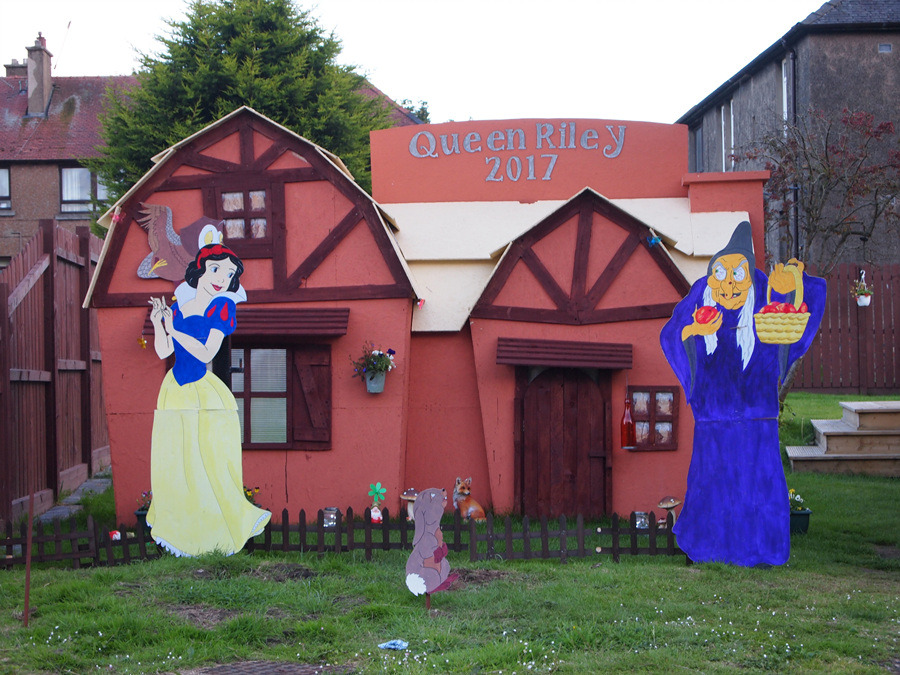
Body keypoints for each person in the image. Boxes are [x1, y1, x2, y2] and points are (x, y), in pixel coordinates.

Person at [660, 222, 825, 567]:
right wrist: (694, 330)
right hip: (713, 424)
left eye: (738, 273)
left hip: (757, 423)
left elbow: (799, 312)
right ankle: (707, 547)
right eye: (721, 273)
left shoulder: (764, 299)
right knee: (711, 486)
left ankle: (761, 549)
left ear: (751, 277)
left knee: (758, 488)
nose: (729, 284)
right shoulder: (700, 297)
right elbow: (672, 334)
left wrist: (791, 288)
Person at [147, 236, 270, 556]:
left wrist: (174, 330)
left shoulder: (222, 307)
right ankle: (181, 533)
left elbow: (205, 353)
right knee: (177, 459)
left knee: (211, 460)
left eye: (229, 274)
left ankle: (218, 531)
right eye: (215, 269)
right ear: (199, 270)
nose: (221, 278)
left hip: (204, 392)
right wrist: (159, 323)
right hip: (174, 391)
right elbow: (164, 351)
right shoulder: (179, 307)